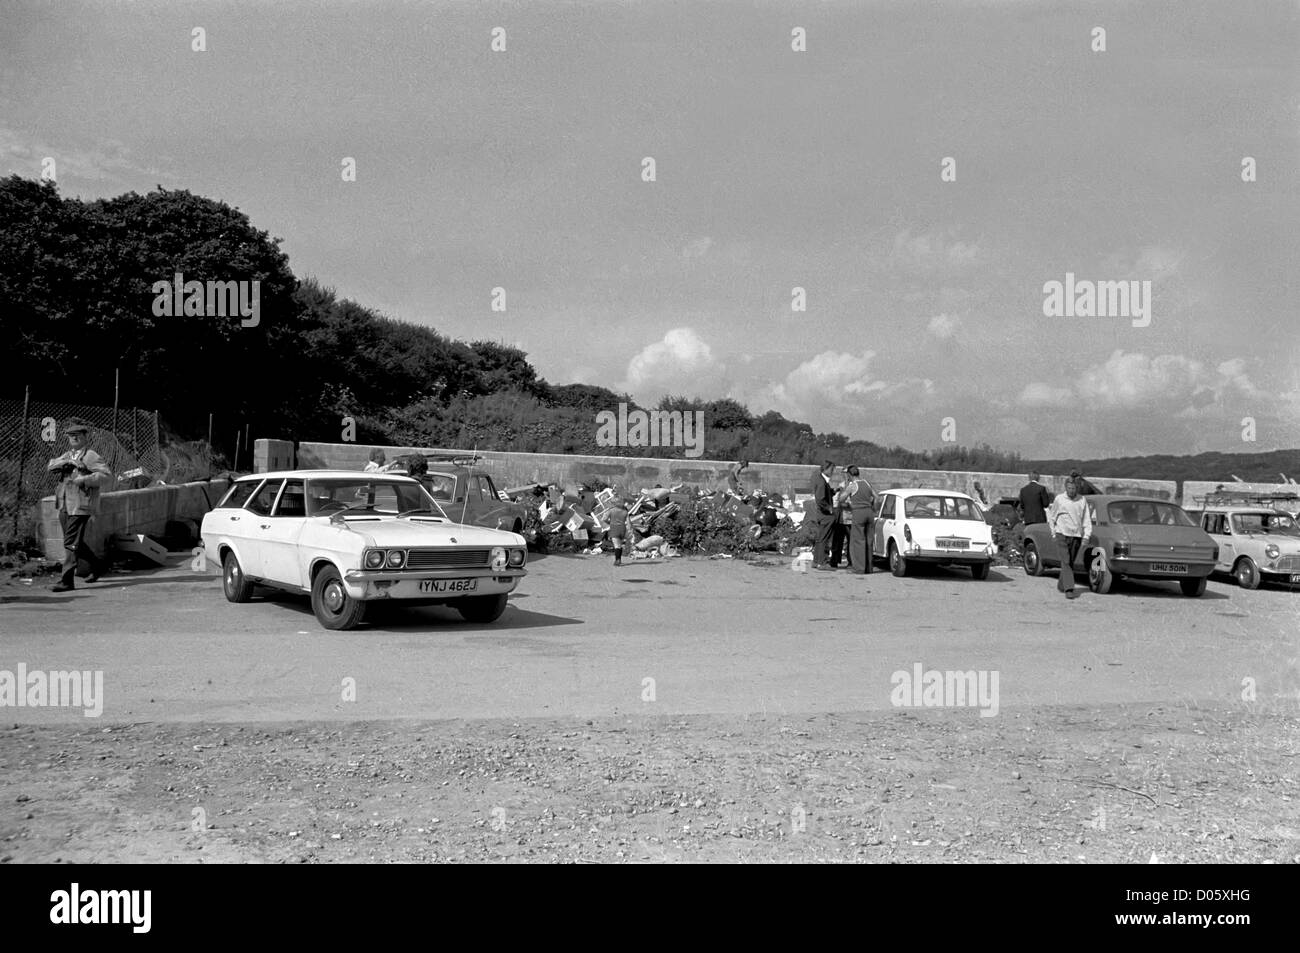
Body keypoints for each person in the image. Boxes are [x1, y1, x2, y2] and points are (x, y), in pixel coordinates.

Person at [46, 417, 112, 592]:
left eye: (77, 435)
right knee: (75, 542)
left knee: (70, 542)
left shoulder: (90, 455)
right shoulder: (68, 455)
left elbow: (105, 476)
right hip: (64, 504)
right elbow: (51, 465)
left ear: (85, 437)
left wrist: (84, 479)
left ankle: (67, 581)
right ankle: (97, 566)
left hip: (81, 505)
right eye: (71, 436)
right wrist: (65, 463)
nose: (74, 438)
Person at [1047, 477, 1093, 600]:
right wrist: (1053, 533)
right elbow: (1052, 517)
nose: (1071, 491)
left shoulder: (1082, 500)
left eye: (1073, 488)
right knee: (1066, 561)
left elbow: (1086, 519)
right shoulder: (1059, 499)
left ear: (1076, 488)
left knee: (1070, 562)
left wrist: (1086, 536)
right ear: (1065, 488)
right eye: (1069, 488)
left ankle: (1062, 584)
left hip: (1076, 535)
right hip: (1061, 533)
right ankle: (1069, 589)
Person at [842, 465, 877, 575]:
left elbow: (841, 498)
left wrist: (848, 504)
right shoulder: (866, 483)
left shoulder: (853, 486)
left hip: (858, 512)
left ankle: (859, 568)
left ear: (849, 475)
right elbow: (877, 497)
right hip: (869, 512)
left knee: (858, 541)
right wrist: (873, 507)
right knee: (869, 541)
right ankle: (869, 567)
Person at [810, 460, 838, 570]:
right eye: (831, 469)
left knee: (820, 538)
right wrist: (830, 508)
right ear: (825, 469)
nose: (832, 472)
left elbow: (823, 494)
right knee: (824, 538)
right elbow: (820, 499)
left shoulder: (820, 480)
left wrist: (833, 491)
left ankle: (816, 561)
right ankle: (822, 562)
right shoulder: (822, 482)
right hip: (825, 515)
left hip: (821, 514)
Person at [606, 496, 629, 567]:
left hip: (614, 528)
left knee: (616, 545)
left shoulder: (611, 510)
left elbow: (604, 519)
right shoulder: (625, 511)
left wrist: (609, 522)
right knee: (620, 544)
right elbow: (628, 522)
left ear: (614, 503)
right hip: (622, 528)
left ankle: (617, 560)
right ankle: (619, 559)